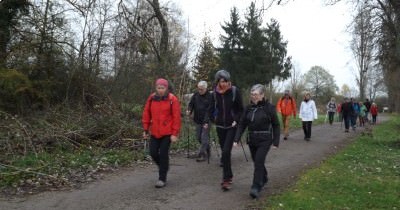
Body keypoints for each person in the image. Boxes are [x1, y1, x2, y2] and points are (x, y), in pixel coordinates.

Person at [234, 84, 280, 199]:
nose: (253, 96)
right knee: (256, 161)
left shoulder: (269, 108)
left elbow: (276, 125)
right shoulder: (248, 108)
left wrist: (276, 141)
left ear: (262, 95)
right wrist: (237, 138)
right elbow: (242, 124)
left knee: (259, 162)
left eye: (255, 94)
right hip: (252, 139)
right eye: (252, 94)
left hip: (265, 139)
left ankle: (256, 186)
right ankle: (263, 177)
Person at [207, 69, 244, 191]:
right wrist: (213, 119)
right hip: (220, 127)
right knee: (224, 152)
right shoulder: (214, 94)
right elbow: (211, 109)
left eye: (225, 81)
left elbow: (241, 109)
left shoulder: (234, 91)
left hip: (231, 126)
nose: (223, 84)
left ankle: (226, 179)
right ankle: (229, 175)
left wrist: (236, 120)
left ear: (229, 81)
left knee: (226, 152)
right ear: (217, 82)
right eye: (221, 81)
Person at [142, 78, 181, 188]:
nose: (160, 90)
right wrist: (145, 129)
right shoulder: (151, 98)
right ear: (156, 88)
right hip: (154, 131)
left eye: (162, 88)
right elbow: (146, 114)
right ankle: (164, 167)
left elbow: (176, 117)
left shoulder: (172, 99)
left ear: (166, 88)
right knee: (153, 152)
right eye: (158, 88)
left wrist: (174, 133)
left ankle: (162, 178)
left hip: (167, 132)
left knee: (163, 153)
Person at [186, 81, 212, 162]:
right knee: (198, 137)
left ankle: (202, 154)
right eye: (199, 89)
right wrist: (189, 110)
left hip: (207, 120)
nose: (199, 91)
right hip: (198, 119)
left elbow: (210, 110)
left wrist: (206, 122)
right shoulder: (196, 95)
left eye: (201, 89)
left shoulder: (210, 96)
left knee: (204, 137)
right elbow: (191, 104)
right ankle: (208, 148)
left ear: (205, 88)